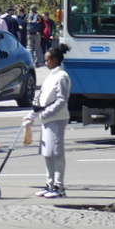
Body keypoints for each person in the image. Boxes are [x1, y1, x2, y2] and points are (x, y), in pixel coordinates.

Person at [26, 44, 72, 199]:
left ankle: (59, 187)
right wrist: (31, 115)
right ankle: (50, 184)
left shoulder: (62, 76)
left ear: (55, 60)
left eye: (47, 60)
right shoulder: (51, 76)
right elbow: (42, 99)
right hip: (47, 118)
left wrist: (46, 113)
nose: (45, 63)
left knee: (56, 153)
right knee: (47, 153)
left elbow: (61, 100)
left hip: (57, 118)